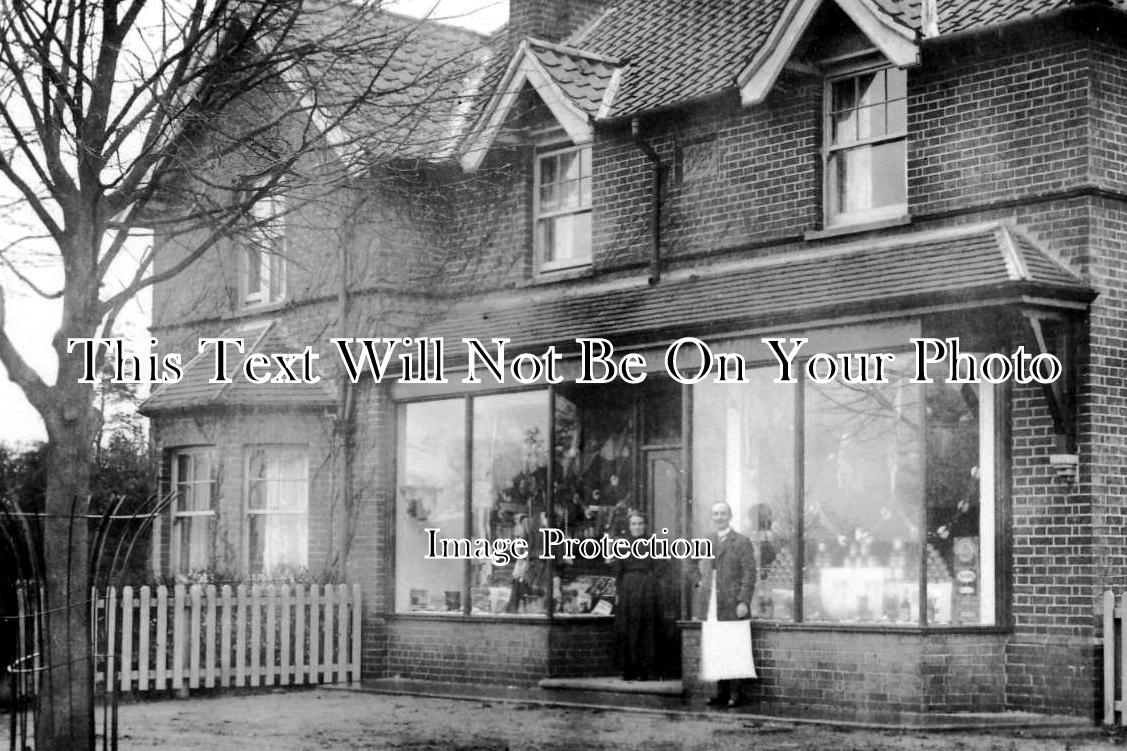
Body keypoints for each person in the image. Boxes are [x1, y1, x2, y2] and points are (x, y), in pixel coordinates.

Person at [698, 501, 756, 707]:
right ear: (712, 517)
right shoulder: (706, 541)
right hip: (712, 603)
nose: (719, 517)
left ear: (729, 516)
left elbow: (750, 574)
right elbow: (689, 563)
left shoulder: (741, 542)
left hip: (732, 603)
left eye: (723, 513)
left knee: (733, 647)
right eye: (715, 514)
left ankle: (735, 693)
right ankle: (720, 692)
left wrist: (743, 601)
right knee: (716, 646)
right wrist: (699, 582)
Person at [613, 511, 664, 681]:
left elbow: (662, 565)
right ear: (629, 526)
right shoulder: (622, 544)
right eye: (633, 524)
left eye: (640, 523)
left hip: (647, 588)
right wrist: (619, 591)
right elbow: (618, 570)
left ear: (645, 525)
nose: (637, 527)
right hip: (628, 588)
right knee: (628, 628)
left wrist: (651, 579)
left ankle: (645, 669)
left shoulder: (654, 543)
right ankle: (629, 668)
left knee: (646, 628)